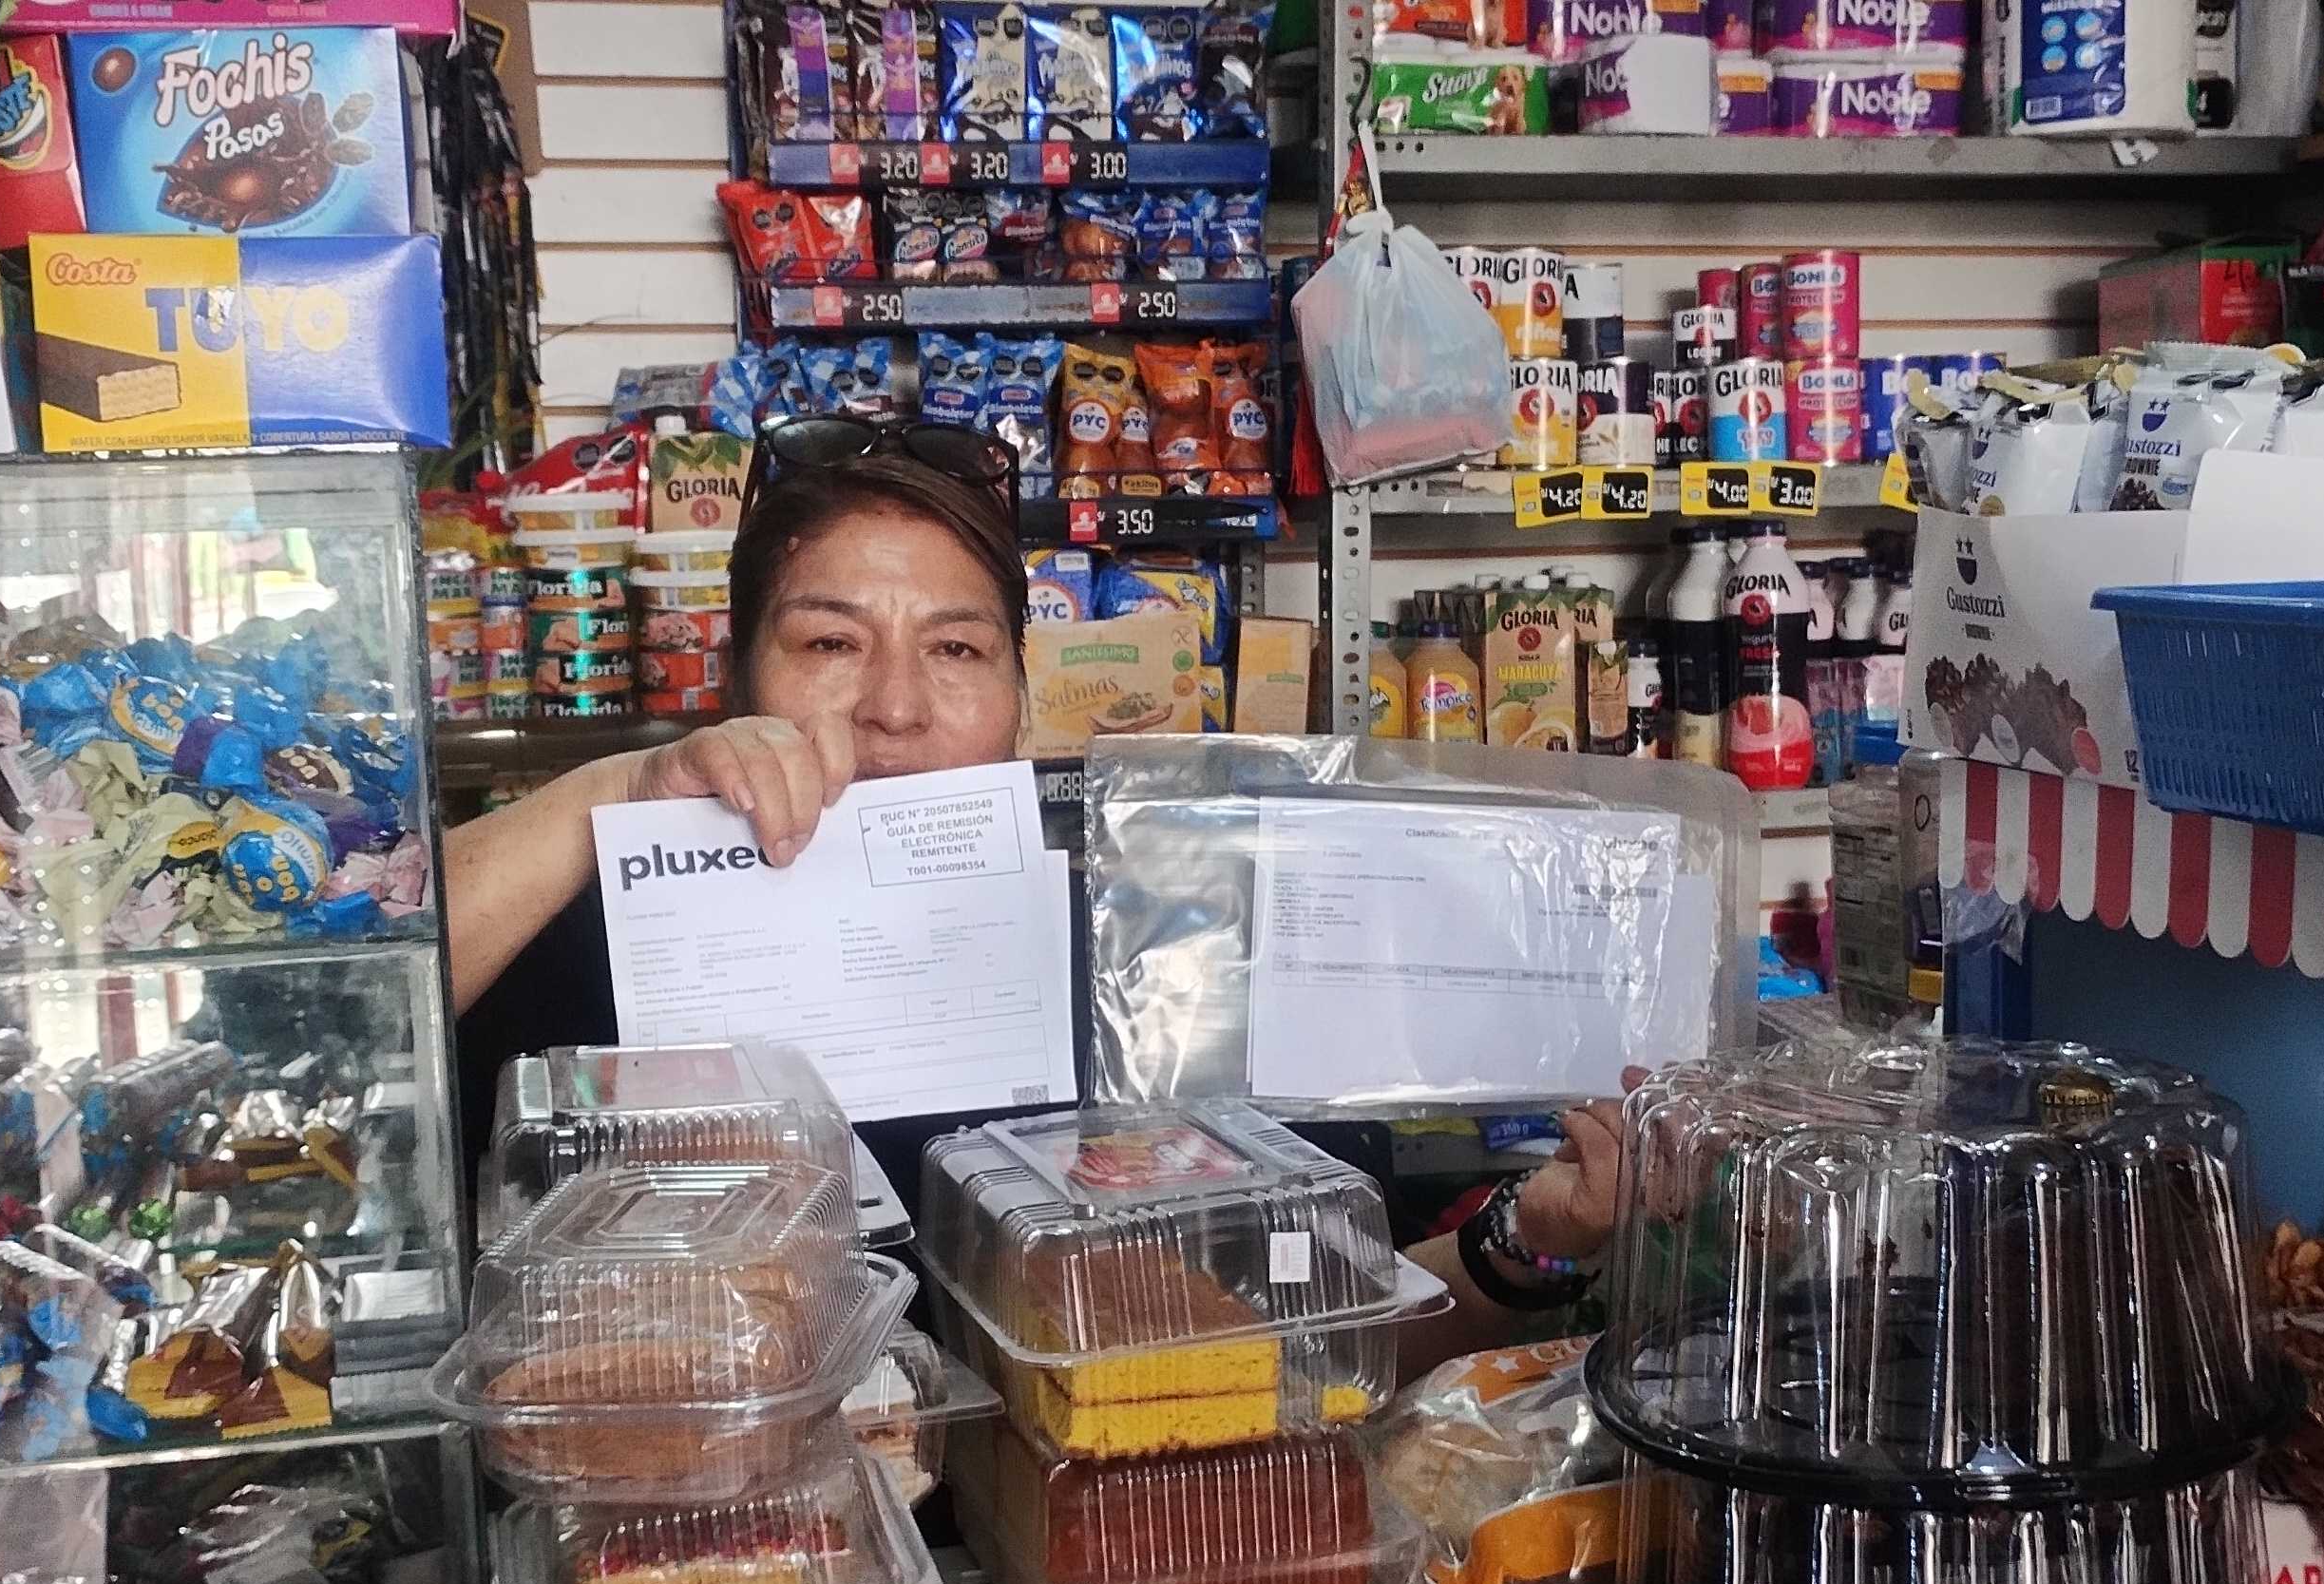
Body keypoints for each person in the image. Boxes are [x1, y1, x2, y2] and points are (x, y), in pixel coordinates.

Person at [446, 416, 1612, 1372]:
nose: (895, 707)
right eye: (830, 644)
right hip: (735, 1555)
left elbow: (1333, 1340)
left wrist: (1535, 1238)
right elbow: (364, 1026)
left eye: (956, 650)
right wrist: (611, 791)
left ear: (1019, 697)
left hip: (1093, 1554)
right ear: (737, 676)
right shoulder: (611, 927)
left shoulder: (1146, 966)